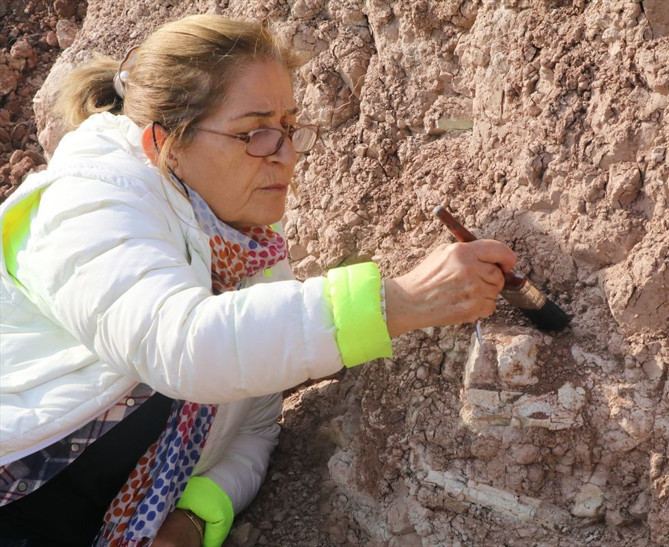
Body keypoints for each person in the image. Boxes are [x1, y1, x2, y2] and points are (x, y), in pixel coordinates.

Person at [0, 13, 516, 547]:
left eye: (289, 128)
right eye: (256, 134)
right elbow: (184, 345)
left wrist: (195, 518)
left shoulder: (248, 252)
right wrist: (399, 301)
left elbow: (256, 423)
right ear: (164, 144)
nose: (287, 156)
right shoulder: (86, 203)